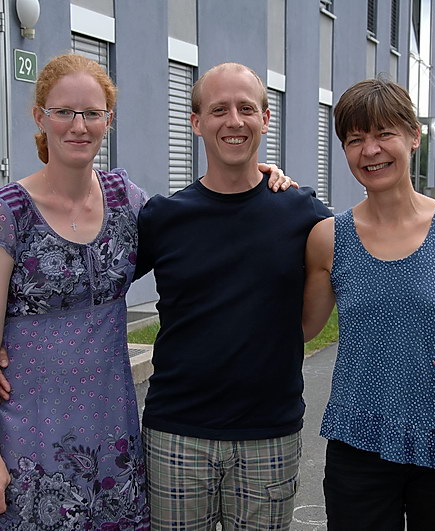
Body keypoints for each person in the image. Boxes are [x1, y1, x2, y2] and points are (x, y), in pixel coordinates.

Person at [0, 54, 293, 529]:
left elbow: (200, 223)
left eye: (92, 113)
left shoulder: (127, 202)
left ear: (109, 121)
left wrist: (259, 178)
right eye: (63, 112)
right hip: (28, 425)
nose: (78, 126)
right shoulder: (3, 213)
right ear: (40, 116)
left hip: (109, 429)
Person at [302, 79, 435, 530]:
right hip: (359, 440)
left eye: (384, 134)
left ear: (414, 136)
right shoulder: (328, 238)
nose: (370, 150)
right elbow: (302, 329)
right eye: (355, 139)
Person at [134, 63, 332, 529]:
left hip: (270, 434)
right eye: (219, 109)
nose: (234, 121)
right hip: (177, 435)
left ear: (265, 119)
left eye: (246, 108)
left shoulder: (301, 212)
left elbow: (367, 263)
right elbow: (94, 289)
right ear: (196, 122)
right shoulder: (163, 217)